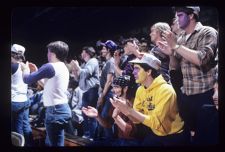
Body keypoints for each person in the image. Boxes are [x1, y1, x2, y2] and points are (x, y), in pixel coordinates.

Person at [157, 6, 218, 144]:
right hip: (187, 94)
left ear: (191, 16)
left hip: (205, 94)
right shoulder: (182, 37)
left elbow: (201, 59)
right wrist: (171, 53)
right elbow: (176, 66)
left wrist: (176, 47)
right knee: (192, 135)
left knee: (208, 136)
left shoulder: (207, 32)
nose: (177, 19)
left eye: (180, 15)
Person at [110, 53, 190, 146]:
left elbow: (157, 123)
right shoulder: (140, 90)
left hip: (174, 136)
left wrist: (130, 111)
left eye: (137, 69)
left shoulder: (166, 90)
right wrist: (126, 111)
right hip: (156, 133)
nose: (133, 72)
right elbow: (137, 120)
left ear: (148, 71)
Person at [21, 41, 72, 146]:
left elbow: (27, 80)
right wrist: (37, 71)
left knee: (53, 144)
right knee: (56, 142)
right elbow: (48, 86)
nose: (47, 54)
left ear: (52, 54)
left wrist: (25, 69)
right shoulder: (63, 67)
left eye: (48, 52)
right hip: (62, 109)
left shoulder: (50, 66)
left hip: (55, 111)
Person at [82, 75, 142, 146]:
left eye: (116, 87)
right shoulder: (116, 101)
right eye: (113, 87)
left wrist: (116, 117)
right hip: (119, 140)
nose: (113, 90)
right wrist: (97, 116)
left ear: (125, 88)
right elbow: (108, 124)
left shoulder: (134, 103)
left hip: (132, 142)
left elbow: (129, 132)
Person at [70, 46, 100, 140]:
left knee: (90, 114)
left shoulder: (93, 61)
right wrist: (75, 71)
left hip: (92, 89)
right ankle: (87, 134)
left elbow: (87, 73)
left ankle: (91, 136)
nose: (81, 54)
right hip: (86, 90)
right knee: (84, 113)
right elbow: (78, 78)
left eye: (83, 52)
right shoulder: (86, 63)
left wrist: (78, 67)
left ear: (87, 53)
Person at [11, 44, 34, 146]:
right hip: (23, 100)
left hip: (14, 101)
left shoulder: (12, 66)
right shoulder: (25, 67)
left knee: (14, 129)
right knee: (22, 127)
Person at [96, 40, 117, 139]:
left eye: (104, 48)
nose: (102, 50)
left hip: (109, 94)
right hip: (106, 93)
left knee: (105, 118)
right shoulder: (108, 62)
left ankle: (110, 140)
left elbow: (109, 81)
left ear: (109, 50)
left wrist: (102, 96)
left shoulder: (111, 62)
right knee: (102, 116)